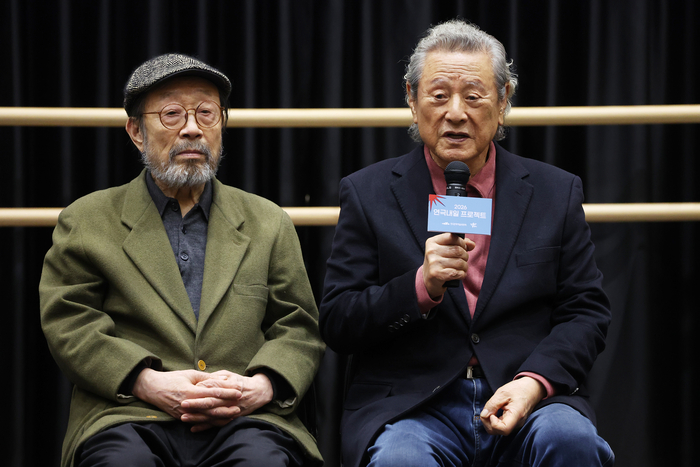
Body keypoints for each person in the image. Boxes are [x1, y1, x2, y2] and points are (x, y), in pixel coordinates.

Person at [320, 19, 614, 467]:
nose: (455, 112)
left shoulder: (555, 191)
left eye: (474, 96)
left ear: (503, 100)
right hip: (414, 406)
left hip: (527, 396)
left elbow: (586, 312)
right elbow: (339, 320)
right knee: (400, 460)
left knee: (571, 440)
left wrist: (533, 383)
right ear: (411, 99)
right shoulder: (368, 192)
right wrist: (421, 286)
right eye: (439, 95)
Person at [40, 53, 325, 467]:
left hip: (246, 419)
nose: (192, 128)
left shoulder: (267, 221)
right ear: (136, 132)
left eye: (206, 113)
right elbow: (69, 321)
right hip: (129, 414)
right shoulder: (88, 219)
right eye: (172, 114)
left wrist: (261, 386)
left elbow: (298, 325)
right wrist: (145, 382)